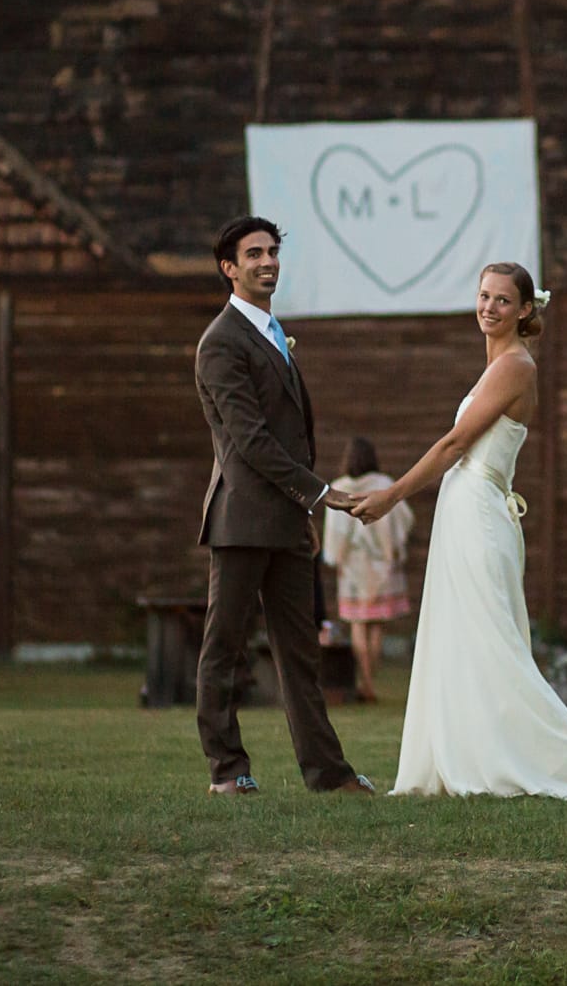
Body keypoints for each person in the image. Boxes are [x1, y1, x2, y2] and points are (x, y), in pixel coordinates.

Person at [351, 262, 567, 799]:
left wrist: (391, 495)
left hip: (478, 510)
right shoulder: (496, 364)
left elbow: (454, 446)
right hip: (463, 507)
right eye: (483, 296)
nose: (489, 307)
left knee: (493, 641)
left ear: (525, 310)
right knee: (461, 640)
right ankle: (464, 759)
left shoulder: (517, 366)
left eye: (502, 300)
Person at [193, 216, 371, 797]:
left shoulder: (272, 329)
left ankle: (328, 774)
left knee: (301, 656)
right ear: (229, 268)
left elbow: (291, 433)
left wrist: (303, 515)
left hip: (289, 523)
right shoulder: (221, 341)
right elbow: (251, 441)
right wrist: (323, 494)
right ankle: (227, 771)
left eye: (272, 252)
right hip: (242, 520)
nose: (268, 262)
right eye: (254, 254)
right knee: (226, 650)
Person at [320, 435, 413, 705]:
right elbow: (403, 519)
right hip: (381, 564)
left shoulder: (339, 488)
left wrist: (335, 557)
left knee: (359, 623)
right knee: (376, 624)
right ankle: (368, 682)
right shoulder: (384, 485)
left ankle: (366, 682)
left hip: (352, 565)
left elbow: (334, 531)